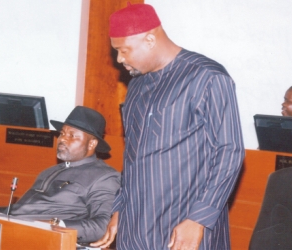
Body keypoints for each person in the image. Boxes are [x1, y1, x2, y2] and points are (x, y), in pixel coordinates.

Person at [91, 3, 245, 250]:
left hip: (184, 227)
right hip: (136, 228)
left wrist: (199, 219)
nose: (119, 59)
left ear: (150, 40)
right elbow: (133, 156)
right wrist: (121, 208)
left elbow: (230, 152)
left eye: (124, 50)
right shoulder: (137, 86)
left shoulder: (207, 76)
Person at [0, 106, 121, 243]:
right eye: (62, 133)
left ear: (92, 143)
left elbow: (101, 226)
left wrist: (54, 225)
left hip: (42, 240)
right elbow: (22, 211)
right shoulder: (48, 172)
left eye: (72, 135)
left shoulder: (104, 177)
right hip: (12, 231)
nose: (63, 139)